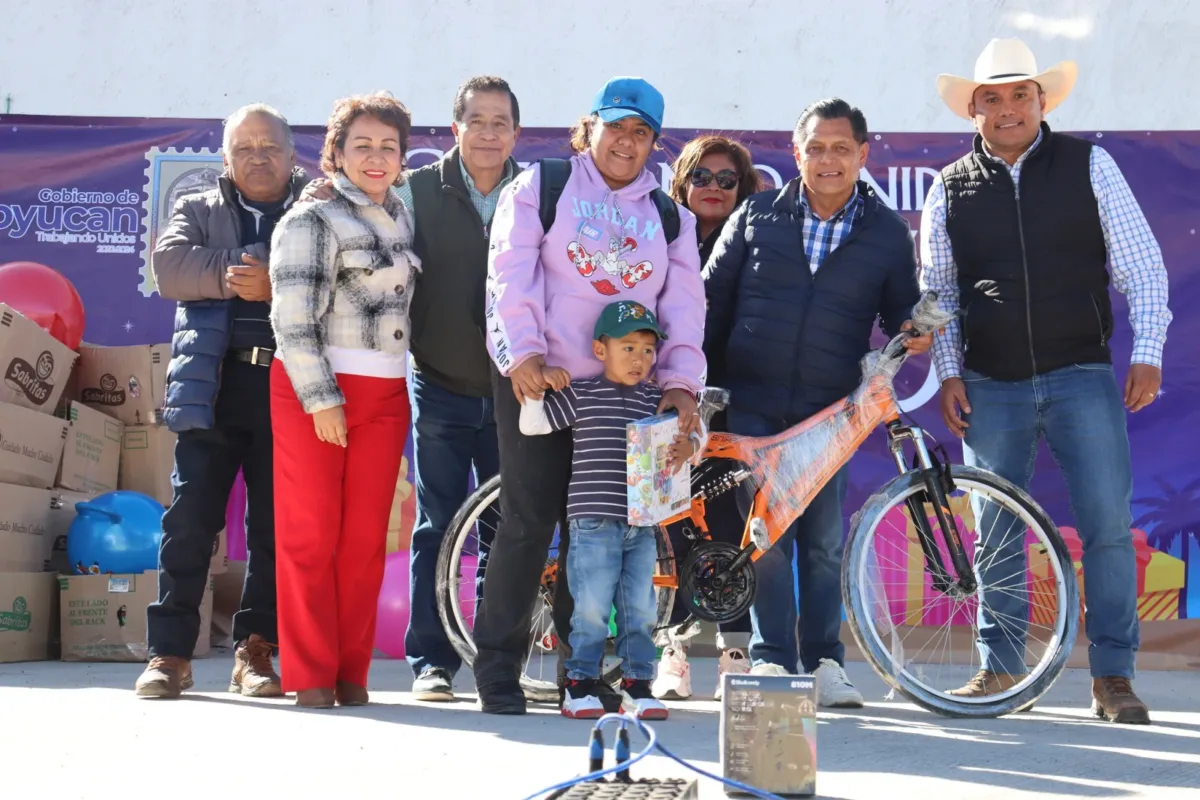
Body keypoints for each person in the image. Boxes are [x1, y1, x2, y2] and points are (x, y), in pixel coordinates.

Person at [920, 38, 1171, 725]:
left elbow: (1142, 267)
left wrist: (1147, 351)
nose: (1007, 109)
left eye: (1020, 94)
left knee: (1108, 532)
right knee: (995, 533)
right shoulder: (949, 186)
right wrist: (948, 375)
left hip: (1081, 376)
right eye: (992, 98)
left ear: (1041, 100)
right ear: (973, 109)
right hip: (990, 383)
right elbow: (937, 291)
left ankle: (1113, 678)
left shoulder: (1092, 165)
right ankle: (999, 670)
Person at [477, 76, 707, 715]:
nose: (626, 143)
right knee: (527, 525)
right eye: (616, 127)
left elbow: (684, 309)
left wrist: (682, 384)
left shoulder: (670, 217)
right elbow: (509, 272)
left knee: (604, 534)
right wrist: (522, 351)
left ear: (654, 144)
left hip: (629, 402)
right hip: (542, 384)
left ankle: (580, 676)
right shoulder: (541, 187)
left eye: (642, 133)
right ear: (591, 126)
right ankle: (498, 669)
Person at [703, 98, 933, 708]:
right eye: (815, 147)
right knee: (767, 539)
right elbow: (710, 303)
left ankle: (827, 662)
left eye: (840, 148)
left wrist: (917, 327)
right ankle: (775, 662)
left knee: (825, 542)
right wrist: (702, 385)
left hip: (830, 414)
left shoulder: (884, 232)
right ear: (796, 151)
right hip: (752, 405)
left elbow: (899, 313)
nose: (827, 159)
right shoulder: (755, 215)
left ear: (862, 154)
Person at [300, 78, 521, 701]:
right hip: (442, 386)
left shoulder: (535, 194)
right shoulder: (413, 192)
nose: (487, 133)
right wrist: (322, 191)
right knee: (439, 526)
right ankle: (433, 663)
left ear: (515, 133)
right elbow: (355, 207)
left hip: (514, 392)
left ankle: (496, 662)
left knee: (509, 530)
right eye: (475, 120)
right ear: (455, 129)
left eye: (500, 122)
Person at [137, 103, 309, 700]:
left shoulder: (315, 208)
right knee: (189, 525)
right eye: (245, 147)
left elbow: (338, 278)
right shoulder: (197, 208)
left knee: (271, 530)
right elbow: (169, 268)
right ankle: (170, 655)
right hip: (210, 389)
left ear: (292, 155)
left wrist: (278, 281)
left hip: (289, 389)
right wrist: (247, 273)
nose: (258, 157)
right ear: (227, 156)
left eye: (270, 147)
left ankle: (255, 653)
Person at [268, 91, 421, 708]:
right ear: (336, 153)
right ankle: (309, 675)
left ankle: (350, 671)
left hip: (385, 394)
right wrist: (321, 398)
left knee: (364, 541)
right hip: (316, 392)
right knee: (309, 536)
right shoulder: (309, 220)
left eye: (388, 147)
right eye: (362, 145)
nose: (376, 157)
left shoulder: (405, 218)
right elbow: (293, 319)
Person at [519, 300, 698, 719]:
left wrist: (690, 447)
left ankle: (638, 685)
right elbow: (533, 426)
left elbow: (693, 440)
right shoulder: (582, 393)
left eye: (649, 351)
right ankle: (579, 684)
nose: (640, 359)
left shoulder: (657, 399)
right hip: (593, 520)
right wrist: (538, 389)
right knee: (593, 607)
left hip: (643, 523)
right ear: (601, 350)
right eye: (629, 348)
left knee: (640, 608)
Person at [654, 135, 763, 701]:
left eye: (728, 179)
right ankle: (672, 651)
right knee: (670, 520)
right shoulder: (657, 233)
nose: (714, 188)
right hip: (667, 393)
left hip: (730, 395)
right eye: (703, 177)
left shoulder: (754, 240)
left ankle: (734, 651)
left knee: (724, 517)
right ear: (682, 183)